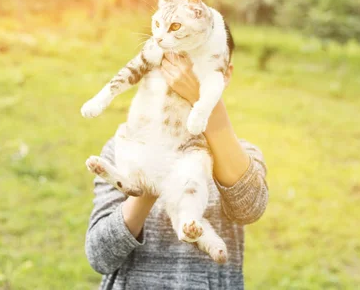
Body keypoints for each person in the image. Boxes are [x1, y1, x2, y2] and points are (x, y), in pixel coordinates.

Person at [85, 38, 269, 290]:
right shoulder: (122, 148)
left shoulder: (241, 154)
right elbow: (100, 255)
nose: (187, 73)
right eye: (179, 61)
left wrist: (203, 100)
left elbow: (250, 208)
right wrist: (151, 172)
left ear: (225, 74)